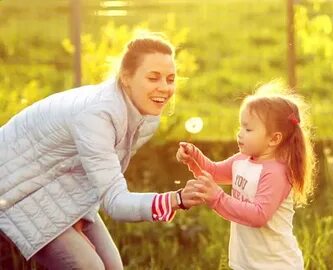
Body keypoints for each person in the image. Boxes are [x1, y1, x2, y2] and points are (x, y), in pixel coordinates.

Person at [0, 34, 202, 269]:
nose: (164, 88)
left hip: (59, 185)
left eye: (170, 79)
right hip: (18, 189)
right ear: (126, 77)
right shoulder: (99, 114)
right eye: (153, 77)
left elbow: (97, 173)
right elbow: (115, 201)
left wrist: (79, 213)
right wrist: (176, 200)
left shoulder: (144, 116)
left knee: (112, 266)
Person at [176, 81, 316, 270]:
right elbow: (215, 172)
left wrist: (217, 198)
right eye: (241, 127)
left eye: (248, 129)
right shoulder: (243, 159)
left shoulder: (276, 173)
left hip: (276, 264)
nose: (240, 134)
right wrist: (193, 157)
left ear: (274, 139)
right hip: (247, 262)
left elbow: (258, 215)